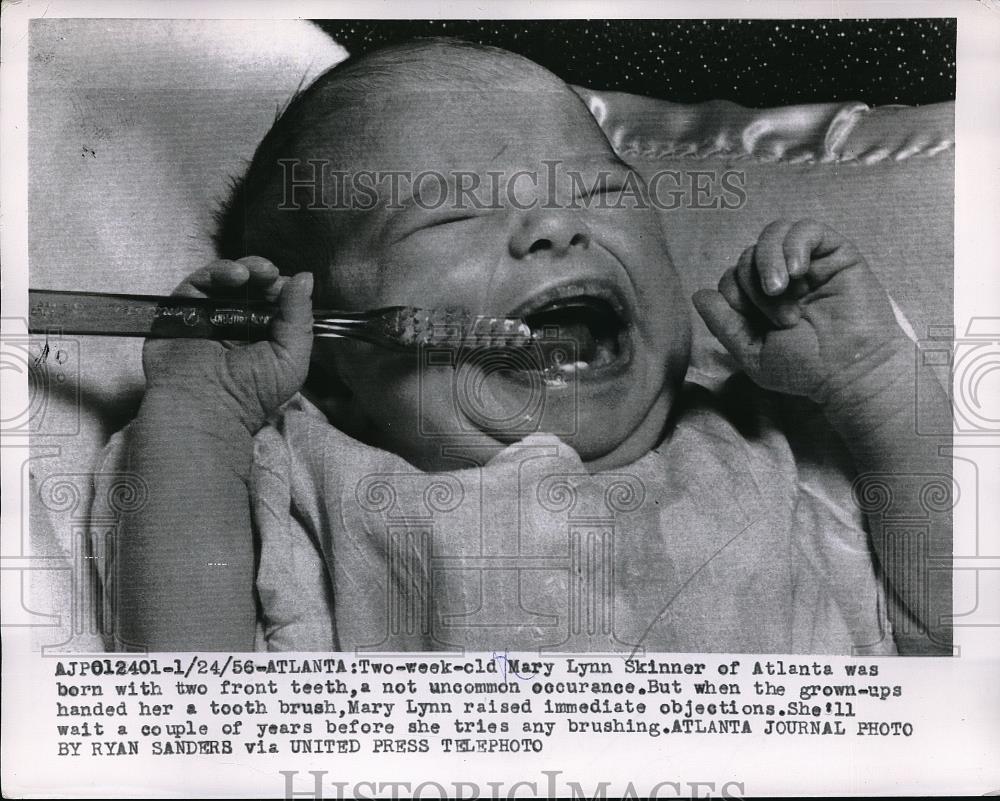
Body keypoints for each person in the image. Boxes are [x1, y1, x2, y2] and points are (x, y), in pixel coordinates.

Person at [106, 38, 951, 654]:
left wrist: (876, 387)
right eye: (453, 214)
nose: (555, 223)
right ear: (330, 356)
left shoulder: (769, 441)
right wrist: (198, 419)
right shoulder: (305, 471)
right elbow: (185, 686)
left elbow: (955, 633)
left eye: (597, 188)